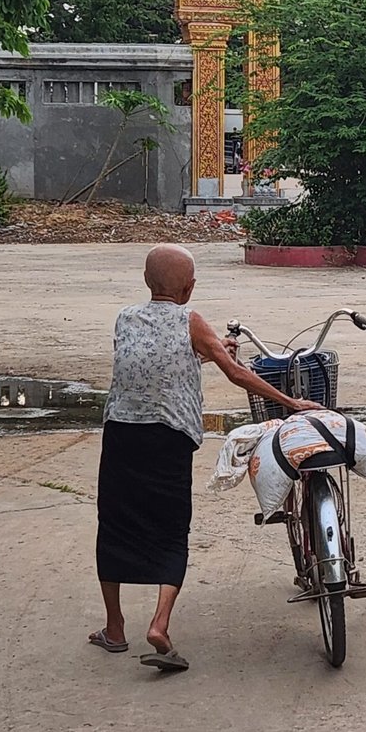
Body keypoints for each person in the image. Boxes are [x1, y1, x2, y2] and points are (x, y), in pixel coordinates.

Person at [90, 243, 311, 673]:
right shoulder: (190, 320)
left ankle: (115, 628)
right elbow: (237, 373)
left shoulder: (125, 317)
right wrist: (291, 401)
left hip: (121, 434)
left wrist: (207, 348)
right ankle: (159, 624)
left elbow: (154, 360)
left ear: (146, 281)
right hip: (169, 437)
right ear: (189, 288)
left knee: (113, 524)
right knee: (171, 529)